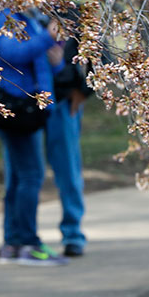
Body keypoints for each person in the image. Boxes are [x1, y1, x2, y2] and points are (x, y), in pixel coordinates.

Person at [0, 8, 69, 267]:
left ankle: (12, 244)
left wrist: (57, 59)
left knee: (19, 177)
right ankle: (28, 244)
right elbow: (11, 52)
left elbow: (43, 62)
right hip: (12, 107)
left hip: (26, 108)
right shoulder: (1, 16)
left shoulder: (29, 18)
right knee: (31, 175)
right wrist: (47, 37)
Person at [43, 26, 91, 257]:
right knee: (23, 174)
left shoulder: (74, 14)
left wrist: (82, 90)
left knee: (68, 171)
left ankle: (73, 233)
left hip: (63, 101)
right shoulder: (17, 10)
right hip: (25, 102)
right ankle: (20, 236)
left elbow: (101, 57)